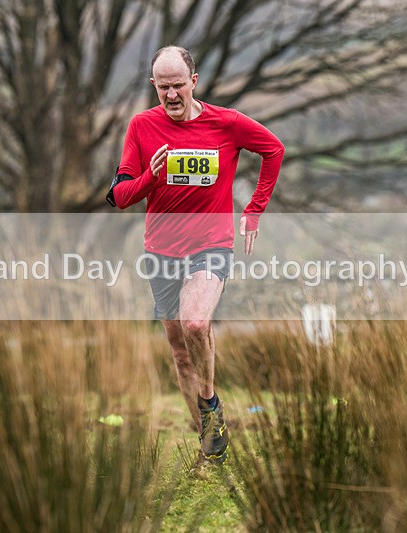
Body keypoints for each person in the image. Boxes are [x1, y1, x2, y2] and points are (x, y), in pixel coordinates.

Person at [106, 46, 284, 466]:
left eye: (177, 85)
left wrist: (254, 210)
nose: (170, 95)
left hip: (211, 244)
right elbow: (117, 197)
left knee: (195, 321)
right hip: (161, 251)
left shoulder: (227, 123)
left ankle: (209, 402)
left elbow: (274, 150)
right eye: (162, 87)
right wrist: (152, 175)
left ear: (194, 82)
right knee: (180, 352)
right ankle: (210, 445)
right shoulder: (141, 127)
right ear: (154, 85)